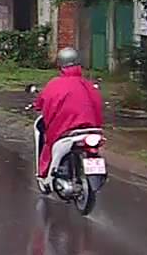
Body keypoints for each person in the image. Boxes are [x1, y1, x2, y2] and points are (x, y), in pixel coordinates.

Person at [34, 47, 104, 179]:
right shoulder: (89, 86)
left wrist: (37, 105)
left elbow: (42, 102)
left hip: (65, 129)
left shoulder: (55, 85)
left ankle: (46, 173)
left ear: (60, 66)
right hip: (92, 129)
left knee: (49, 140)